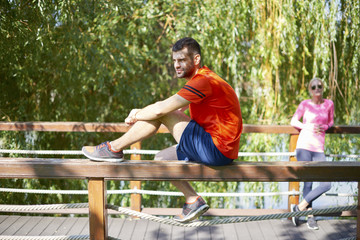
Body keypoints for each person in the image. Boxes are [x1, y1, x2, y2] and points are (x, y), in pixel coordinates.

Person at [82, 37, 243, 223]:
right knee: (162, 159)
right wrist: (146, 113)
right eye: (174, 60)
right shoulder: (204, 80)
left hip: (215, 149)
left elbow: (161, 110)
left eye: (182, 60)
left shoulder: (203, 81)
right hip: (219, 150)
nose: (177, 65)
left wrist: (137, 113)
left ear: (196, 59)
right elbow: (175, 109)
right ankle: (193, 200)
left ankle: (113, 148)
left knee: (161, 111)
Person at [290, 77, 334, 230]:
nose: (317, 89)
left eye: (319, 86)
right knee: (308, 183)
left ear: (323, 88)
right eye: (313, 87)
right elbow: (293, 121)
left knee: (326, 184)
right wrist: (307, 127)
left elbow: (331, 122)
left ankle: (298, 209)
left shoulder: (329, 104)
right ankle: (310, 217)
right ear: (310, 89)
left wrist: (325, 127)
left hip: (318, 148)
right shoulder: (305, 104)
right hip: (303, 146)